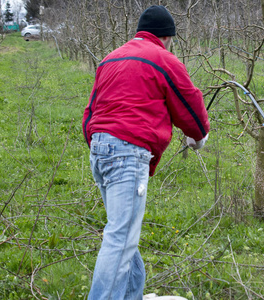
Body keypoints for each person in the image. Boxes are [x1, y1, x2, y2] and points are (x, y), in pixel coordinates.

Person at [82, 5, 210, 299]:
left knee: (124, 234)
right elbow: (189, 104)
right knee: (120, 238)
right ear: (166, 37)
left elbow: (90, 112)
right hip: (127, 153)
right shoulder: (163, 59)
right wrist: (199, 137)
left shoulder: (110, 59)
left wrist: (101, 144)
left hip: (100, 150)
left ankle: (131, 295)